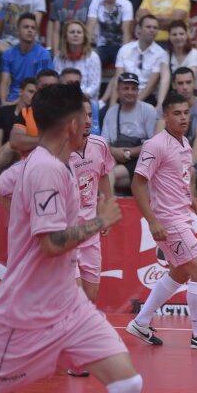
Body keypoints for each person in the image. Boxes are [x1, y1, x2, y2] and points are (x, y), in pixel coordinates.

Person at [0, 82, 144, 393]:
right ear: (71, 125)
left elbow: (2, 186)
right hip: (26, 313)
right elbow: (53, 242)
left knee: (127, 384)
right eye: (85, 118)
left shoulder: (54, 162)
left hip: (67, 305)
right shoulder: (47, 170)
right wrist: (98, 221)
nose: (88, 126)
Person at [126, 92, 197, 350]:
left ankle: (141, 321)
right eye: (176, 113)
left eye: (185, 113)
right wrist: (152, 221)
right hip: (168, 220)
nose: (182, 118)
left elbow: (182, 183)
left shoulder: (184, 143)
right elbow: (137, 185)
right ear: (165, 116)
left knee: (180, 271)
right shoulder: (155, 145)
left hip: (183, 216)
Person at [69, 98, 116, 303]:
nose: (87, 120)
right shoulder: (58, 151)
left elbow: (103, 175)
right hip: (66, 235)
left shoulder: (100, 144)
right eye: (82, 116)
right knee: (76, 297)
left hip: (91, 233)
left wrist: (106, 212)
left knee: (90, 296)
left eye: (90, 115)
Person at [100, 72, 158, 192]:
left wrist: (129, 153)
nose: (130, 92)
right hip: (115, 158)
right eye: (126, 88)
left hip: (141, 161)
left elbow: (154, 144)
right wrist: (114, 151)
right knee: (104, 168)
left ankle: (109, 206)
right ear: (118, 90)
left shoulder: (148, 110)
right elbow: (105, 142)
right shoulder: (111, 112)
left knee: (109, 175)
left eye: (133, 89)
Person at [155, 67, 197, 190]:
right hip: (171, 158)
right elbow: (158, 137)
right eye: (180, 83)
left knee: (189, 174)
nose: (185, 87)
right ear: (174, 85)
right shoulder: (166, 105)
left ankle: (191, 209)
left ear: (194, 83)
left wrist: (190, 164)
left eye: (188, 82)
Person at [0, 14, 52, 105]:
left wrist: (13, 104)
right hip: (11, 97)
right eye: (26, 27)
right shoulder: (8, 54)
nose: (30, 30)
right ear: (17, 31)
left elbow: (38, 85)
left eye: (33, 28)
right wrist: (3, 102)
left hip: (33, 99)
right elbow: (4, 82)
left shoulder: (43, 54)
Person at [87, 0, 134, 66]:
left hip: (120, 46)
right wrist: (87, 50)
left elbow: (127, 32)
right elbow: (90, 27)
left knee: (125, 61)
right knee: (89, 59)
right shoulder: (95, 2)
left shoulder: (126, 4)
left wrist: (124, 54)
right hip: (101, 46)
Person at [53, 20, 102, 112]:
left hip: (87, 101)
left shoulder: (93, 57)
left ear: (84, 37)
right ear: (66, 37)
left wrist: (79, 95)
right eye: (72, 32)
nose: (75, 35)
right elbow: (58, 81)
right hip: (65, 101)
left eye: (79, 32)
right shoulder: (58, 57)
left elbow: (94, 85)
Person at [167, 20, 197, 95]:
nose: (178, 37)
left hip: (196, 94)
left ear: (186, 36)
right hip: (176, 93)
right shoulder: (167, 55)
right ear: (169, 37)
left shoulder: (194, 54)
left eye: (181, 34)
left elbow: (188, 79)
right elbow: (165, 80)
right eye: (174, 35)